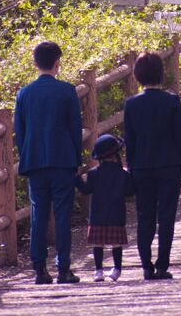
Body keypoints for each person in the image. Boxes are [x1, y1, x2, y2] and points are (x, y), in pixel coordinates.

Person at [13, 41, 83, 285]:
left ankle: (39, 269)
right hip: (63, 160)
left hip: (35, 162)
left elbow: (19, 132)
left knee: (38, 215)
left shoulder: (24, 94)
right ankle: (64, 268)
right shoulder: (67, 91)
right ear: (57, 63)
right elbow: (75, 128)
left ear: (35, 63)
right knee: (63, 215)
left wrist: (26, 154)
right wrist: (77, 158)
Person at [123, 52, 181, 280]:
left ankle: (145, 265)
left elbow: (129, 139)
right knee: (167, 216)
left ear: (137, 75)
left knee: (145, 216)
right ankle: (162, 265)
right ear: (161, 74)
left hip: (142, 166)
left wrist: (130, 166)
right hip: (169, 165)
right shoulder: (171, 101)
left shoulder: (131, 104)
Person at [76, 133, 136, 282]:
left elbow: (86, 189)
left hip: (98, 214)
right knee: (117, 244)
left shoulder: (93, 174)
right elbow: (130, 191)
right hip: (117, 213)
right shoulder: (123, 174)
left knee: (98, 244)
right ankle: (117, 269)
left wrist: (76, 178)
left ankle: (98, 271)